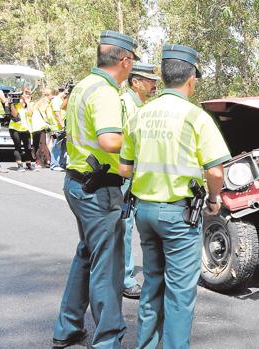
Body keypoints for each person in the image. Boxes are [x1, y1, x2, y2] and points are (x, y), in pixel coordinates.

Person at [118, 44, 230, 349]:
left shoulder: (140, 115)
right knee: (180, 292)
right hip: (179, 217)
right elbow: (216, 172)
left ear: (164, 77)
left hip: (145, 213)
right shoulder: (196, 117)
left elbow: (124, 169)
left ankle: (145, 344)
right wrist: (213, 199)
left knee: (152, 283)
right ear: (191, 79)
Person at [52, 30, 138, 349]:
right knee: (108, 266)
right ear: (125, 61)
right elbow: (109, 140)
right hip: (99, 190)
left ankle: (68, 327)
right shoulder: (104, 92)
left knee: (86, 254)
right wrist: (141, 146)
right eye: (132, 64)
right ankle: (107, 341)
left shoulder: (84, 86)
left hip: (77, 183)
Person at [119, 62, 160, 299]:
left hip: (137, 175)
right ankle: (125, 279)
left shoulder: (142, 105)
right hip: (125, 175)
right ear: (136, 82)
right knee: (124, 228)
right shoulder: (124, 104)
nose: (154, 84)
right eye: (149, 80)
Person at [8, 87, 33, 172]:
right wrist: (11, 104)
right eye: (25, 93)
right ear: (21, 94)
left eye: (29, 94)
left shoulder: (27, 104)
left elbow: (30, 114)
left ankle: (28, 164)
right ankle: (19, 165)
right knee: (17, 147)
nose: (27, 95)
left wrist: (28, 103)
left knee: (28, 148)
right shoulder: (16, 103)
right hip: (15, 128)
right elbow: (15, 115)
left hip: (25, 129)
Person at [29, 89, 52, 170]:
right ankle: (46, 161)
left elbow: (30, 113)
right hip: (42, 126)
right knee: (43, 144)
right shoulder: (46, 104)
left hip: (34, 126)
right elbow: (48, 116)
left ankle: (40, 161)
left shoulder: (36, 103)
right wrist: (50, 123)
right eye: (50, 96)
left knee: (37, 144)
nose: (51, 98)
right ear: (48, 95)